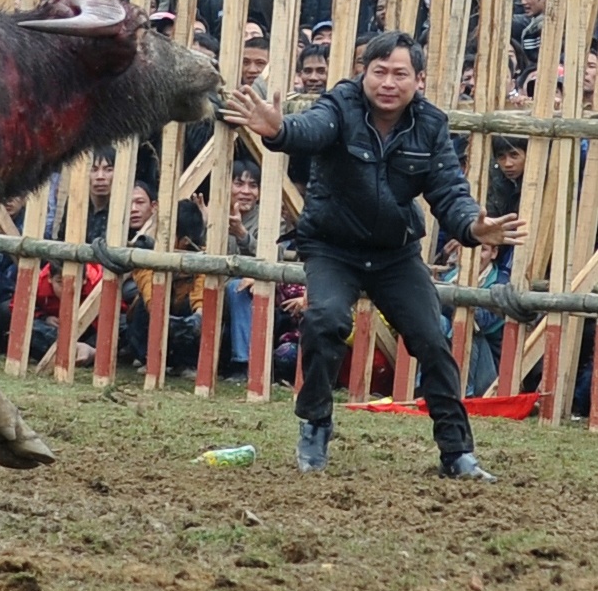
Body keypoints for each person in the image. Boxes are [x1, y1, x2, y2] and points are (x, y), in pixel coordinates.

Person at [222, 31, 526, 481]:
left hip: (395, 253)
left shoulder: (431, 124)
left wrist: (472, 227)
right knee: (325, 320)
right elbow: (310, 129)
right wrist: (280, 130)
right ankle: (315, 424)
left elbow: (449, 191)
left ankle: (457, 452)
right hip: (332, 247)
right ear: (363, 74)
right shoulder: (339, 104)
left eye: (399, 74)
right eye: (379, 71)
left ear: (418, 80)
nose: (387, 82)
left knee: (433, 340)